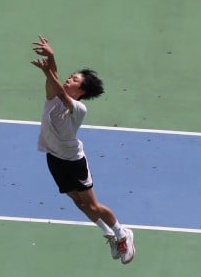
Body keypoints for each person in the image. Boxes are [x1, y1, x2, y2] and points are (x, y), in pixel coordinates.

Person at [31, 35, 135, 263]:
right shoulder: (52, 99)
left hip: (73, 162)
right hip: (54, 158)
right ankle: (107, 232)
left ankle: (122, 232)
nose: (69, 79)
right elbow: (56, 82)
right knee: (77, 203)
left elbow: (58, 87)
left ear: (82, 90)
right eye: (69, 77)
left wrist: (49, 65)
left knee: (92, 205)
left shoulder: (78, 108)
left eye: (74, 79)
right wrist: (50, 57)